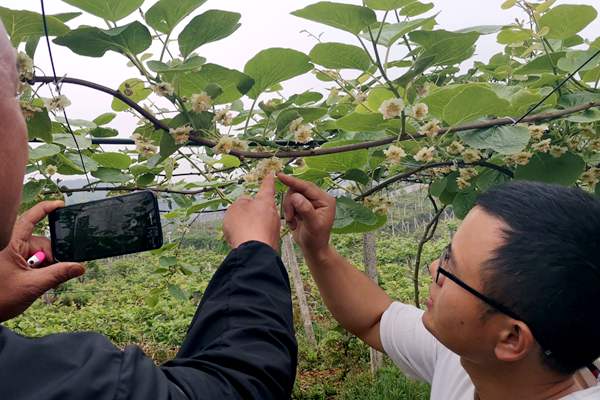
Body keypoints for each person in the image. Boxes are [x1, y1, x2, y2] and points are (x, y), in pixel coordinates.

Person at [0, 23, 296, 399]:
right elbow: (242, 385)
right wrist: (254, 248)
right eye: (14, 95)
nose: (27, 118)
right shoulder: (87, 386)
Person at [276, 172, 600, 400]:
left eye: (451, 268)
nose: (433, 268)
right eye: (445, 253)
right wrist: (317, 249)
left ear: (512, 339)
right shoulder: (471, 357)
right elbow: (374, 319)